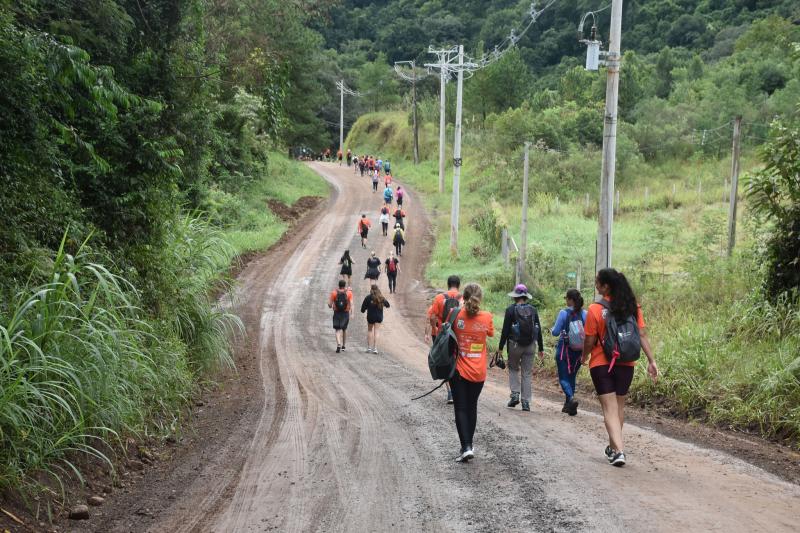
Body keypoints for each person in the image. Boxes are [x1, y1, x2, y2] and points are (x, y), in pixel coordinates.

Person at [582, 268, 658, 467]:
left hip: (601, 363)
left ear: (606, 286)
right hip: (626, 363)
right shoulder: (632, 307)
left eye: (598, 282)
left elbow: (589, 340)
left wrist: (583, 357)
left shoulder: (595, 309)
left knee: (609, 408)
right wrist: (652, 361)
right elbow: (641, 335)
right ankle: (613, 448)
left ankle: (619, 450)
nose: (596, 285)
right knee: (619, 407)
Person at [450, 283, 494, 462]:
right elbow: (490, 333)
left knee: (460, 408)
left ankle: (466, 446)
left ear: (464, 297)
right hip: (479, 372)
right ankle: (469, 444)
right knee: (472, 406)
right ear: (480, 298)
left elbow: (446, 331)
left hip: (459, 370)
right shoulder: (487, 317)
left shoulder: (455, 314)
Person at [497, 284, 544, 412]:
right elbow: (538, 329)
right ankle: (526, 402)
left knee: (513, 368)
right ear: (525, 296)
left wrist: (500, 348)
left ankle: (515, 394)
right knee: (527, 373)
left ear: (515, 297)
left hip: (515, 345)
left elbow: (505, 331)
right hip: (530, 346)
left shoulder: (510, 310)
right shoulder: (533, 310)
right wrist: (541, 348)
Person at [425, 275, 462, 404]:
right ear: (458, 285)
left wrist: (435, 329)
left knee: (445, 362)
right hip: (459, 335)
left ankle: (450, 393)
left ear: (448, 284)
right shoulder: (463, 298)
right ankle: (460, 391)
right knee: (459, 361)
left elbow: (432, 316)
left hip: (443, 334)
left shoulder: (439, 298)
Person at [551, 289, 587, 416]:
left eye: (566, 298)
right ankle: (569, 406)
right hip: (578, 352)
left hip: (564, 350)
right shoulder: (584, 314)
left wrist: (552, 330)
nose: (566, 300)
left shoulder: (563, 313)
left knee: (563, 377)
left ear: (571, 299)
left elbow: (555, 332)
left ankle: (571, 399)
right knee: (572, 377)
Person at [361, 284, 390, 354]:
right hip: (379, 317)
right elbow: (388, 305)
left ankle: (369, 348)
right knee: (376, 331)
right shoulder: (381, 297)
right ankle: (375, 348)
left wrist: (365, 309)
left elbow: (362, 309)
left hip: (370, 316)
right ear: (378, 289)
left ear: (371, 289)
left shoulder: (368, 297)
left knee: (370, 330)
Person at [328, 280, 353, 353]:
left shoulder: (334, 293)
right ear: (345, 285)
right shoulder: (349, 293)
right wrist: (352, 313)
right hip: (345, 313)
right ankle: (344, 346)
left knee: (337, 329)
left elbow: (330, 305)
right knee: (344, 329)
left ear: (338, 285)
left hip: (337, 313)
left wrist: (330, 305)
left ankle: (338, 344)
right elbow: (351, 303)